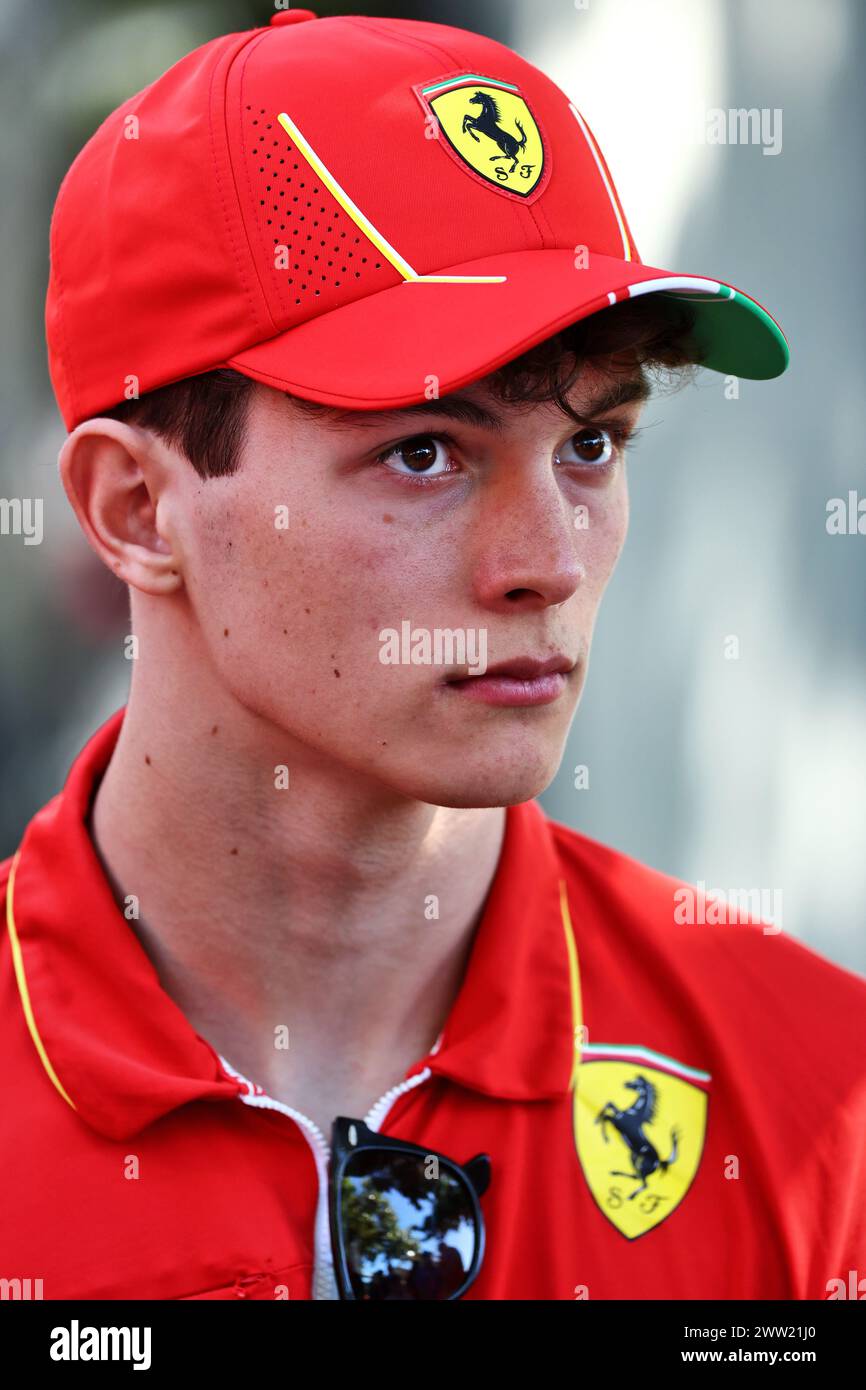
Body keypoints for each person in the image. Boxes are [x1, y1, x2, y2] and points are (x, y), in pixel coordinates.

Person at [2, 9, 863, 1302]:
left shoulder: (818, 1101)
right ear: (137, 510)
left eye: (592, 445)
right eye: (425, 451)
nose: (548, 561)